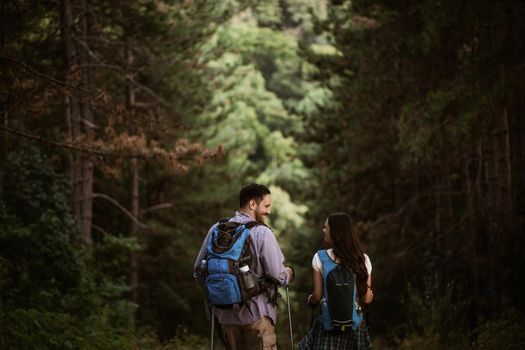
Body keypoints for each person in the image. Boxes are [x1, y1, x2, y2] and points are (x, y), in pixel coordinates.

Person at [194, 183, 295, 350]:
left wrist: (219, 294)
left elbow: (198, 271)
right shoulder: (262, 233)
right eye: (266, 206)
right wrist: (289, 273)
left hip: (225, 317)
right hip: (257, 317)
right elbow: (278, 275)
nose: (268, 211)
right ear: (252, 204)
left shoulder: (217, 229)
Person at [299, 212, 374, 350]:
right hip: (355, 326)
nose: (323, 230)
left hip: (328, 325)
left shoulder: (319, 257)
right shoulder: (362, 260)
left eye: (326, 227)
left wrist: (310, 300)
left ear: (336, 232)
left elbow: (317, 295)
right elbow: (366, 299)